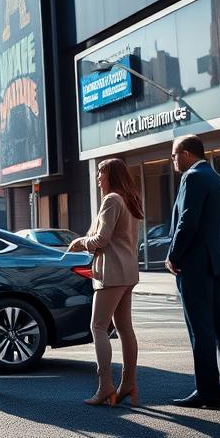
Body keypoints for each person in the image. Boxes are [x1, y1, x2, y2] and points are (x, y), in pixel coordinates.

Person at [166, 135, 220, 409]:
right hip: (216, 262)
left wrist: (173, 255)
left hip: (196, 264)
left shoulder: (193, 177)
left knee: (201, 329)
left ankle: (207, 392)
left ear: (187, 153)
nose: (173, 159)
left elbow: (187, 221)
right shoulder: (216, 178)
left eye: (175, 154)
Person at [68, 158, 143, 406]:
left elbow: (101, 239)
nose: (98, 178)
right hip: (128, 272)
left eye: (101, 173)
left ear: (112, 175)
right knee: (125, 329)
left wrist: (80, 242)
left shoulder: (112, 199)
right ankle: (128, 384)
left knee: (98, 327)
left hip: (111, 272)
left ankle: (105, 386)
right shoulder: (130, 198)